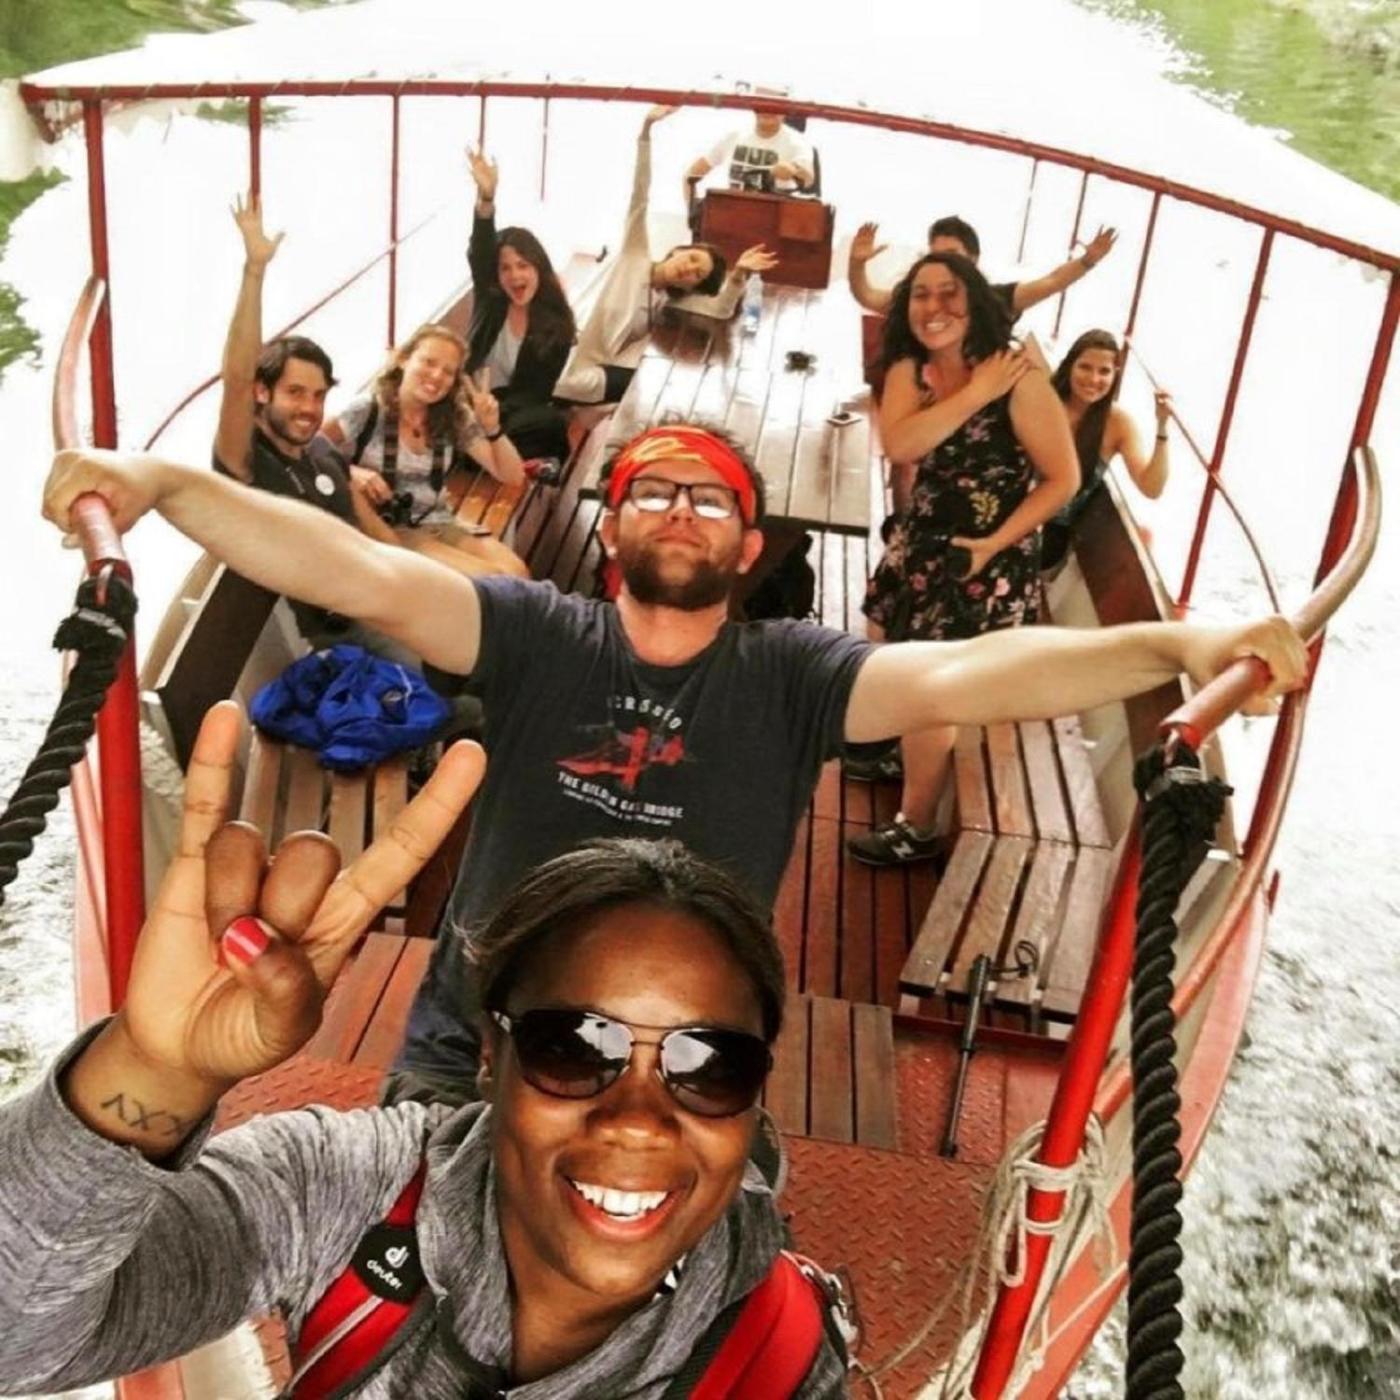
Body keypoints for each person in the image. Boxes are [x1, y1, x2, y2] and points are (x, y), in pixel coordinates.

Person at [42, 430, 1308, 1103]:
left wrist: (1175, 645)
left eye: (710, 499)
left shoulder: (794, 675)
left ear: (748, 547)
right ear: (614, 535)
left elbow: (973, 675)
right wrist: (164, 482)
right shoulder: (532, 633)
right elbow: (353, 570)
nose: (680, 511)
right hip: (467, 1034)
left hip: (685, 1057)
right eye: (652, 491)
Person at [0, 705, 848, 1397]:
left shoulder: (782, 1359)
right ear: (491, 1057)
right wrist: (155, 1070)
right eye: (574, 1046)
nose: (638, 1120)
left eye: (710, 1064)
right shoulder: (353, 1189)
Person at [846, 253, 1079, 864]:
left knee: (931, 690)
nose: (934, 307)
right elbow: (903, 443)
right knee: (882, 642)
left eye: (949, 293)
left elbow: (1063, 479)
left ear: (974, 300)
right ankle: (904, 752)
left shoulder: (1021, 379)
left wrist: (993, 545)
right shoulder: (912, 368)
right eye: (920, 295)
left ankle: (916, 826)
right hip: (922, 539)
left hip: (984, 558)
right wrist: (976, 393)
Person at [214, 193, 417, 651]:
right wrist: (254, 271)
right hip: (343, 634)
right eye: (295, 393)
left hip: (387, 599)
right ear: (263, 393)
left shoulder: (323, 452)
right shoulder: (248, 463)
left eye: (319, 395)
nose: (309, 407)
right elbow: (237, 378)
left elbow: (374, 529)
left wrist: (420, 587)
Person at [553, 105, 778, 407]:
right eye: (693, 259)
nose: (689, 270)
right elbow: (640, 195)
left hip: (584, 378)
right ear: (679, 250)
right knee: (643, 386)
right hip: (561, 362)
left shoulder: (663, 301)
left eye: (697, 276)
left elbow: (720, 311)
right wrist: (646, 131)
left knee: (655, 386)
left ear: (689, 288)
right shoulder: (634, 254)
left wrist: (738, 274)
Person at [323, 323, 530, 581]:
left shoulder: (454, 417)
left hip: (438, 520)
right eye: (429, 362)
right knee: (491, 578)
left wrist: (492, 428)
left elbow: (512, 476)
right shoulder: (367, 409)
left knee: (518, 574)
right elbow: (311, 447)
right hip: (390, 528)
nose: (436, 376)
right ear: (403, 360)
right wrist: (351, 472)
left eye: (448, 371)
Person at [465, 147, 578, 461]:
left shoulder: (558, 325)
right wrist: (486, 200)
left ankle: (488, 453)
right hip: (465, 405)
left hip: (508, 412)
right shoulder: (491, 300)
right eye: (505, 268)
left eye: (523, 265)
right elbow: (480, 251)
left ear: (538, 268)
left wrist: (492, 414)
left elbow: (534, 395)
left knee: (550, 422)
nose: (515, 276)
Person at [1040, 328, 1172, 571]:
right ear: (1070, 366)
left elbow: (1151, 488)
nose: (1093, 379)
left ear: (1115, 375)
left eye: (1104, 371)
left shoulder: (1118, 423)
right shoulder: (1044, 400)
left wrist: (1162, 426)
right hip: (1011, 509)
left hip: (1049, 536)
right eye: (1085, 367)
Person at [847, 213, 1117, 320]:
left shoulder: (995, 300)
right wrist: (856, 263)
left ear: (973, 259)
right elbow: (867, 296)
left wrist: (1087, 261)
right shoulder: (917, 300)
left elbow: (1052, 282)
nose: (944, 263)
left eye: (952, 254)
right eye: (936, 256)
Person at [685, 106, 816, 199]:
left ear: (786, 111)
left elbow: (808, 178)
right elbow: (691, 175)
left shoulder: (798, 142)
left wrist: (793, 171)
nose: (768, 110)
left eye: (775, 107)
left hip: (776, 217)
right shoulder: (734, 136)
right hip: (733, 214)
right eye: (762, 105)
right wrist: (694, 216)